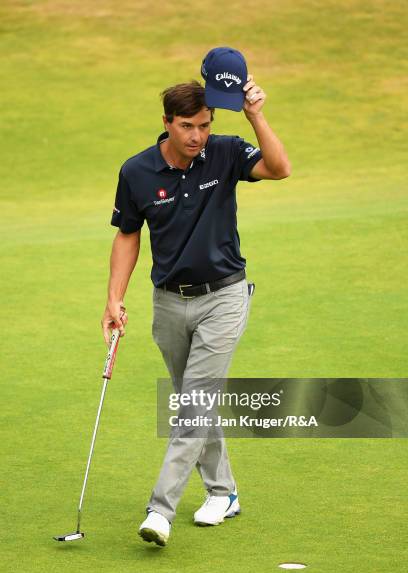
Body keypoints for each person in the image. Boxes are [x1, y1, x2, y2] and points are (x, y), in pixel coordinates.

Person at [101, 74, 291, 547]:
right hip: (168, 301)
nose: (197, 136)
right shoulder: (137, 172)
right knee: (195, 403)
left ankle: (160, 510)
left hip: (224, 297)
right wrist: (113, 296)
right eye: (187, 125)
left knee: (192, 406)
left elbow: (280, 167)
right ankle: (223, 492)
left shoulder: (224, 152)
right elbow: (128, 234)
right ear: (167, 123)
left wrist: (255, 115)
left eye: (204, 125)